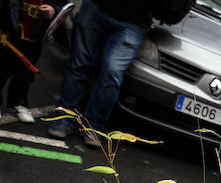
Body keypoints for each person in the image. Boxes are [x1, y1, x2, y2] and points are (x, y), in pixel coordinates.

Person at [47, 0, 156, 147]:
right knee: (79, 64)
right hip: (97, 7)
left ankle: (94, 126)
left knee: (112, 73)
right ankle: (64, 118)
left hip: (134, 21)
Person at [0, 0, 62, 122]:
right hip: (11, 27)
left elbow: (61, 4)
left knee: (25, 72)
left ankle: (19, 102)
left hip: (35, 31)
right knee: (1, 66)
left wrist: (54, 8)